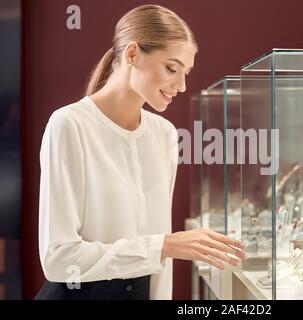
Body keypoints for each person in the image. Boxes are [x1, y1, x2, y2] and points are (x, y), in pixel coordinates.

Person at [35, 4, 246, 300]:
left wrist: (163, 249)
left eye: (186, 72)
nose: (182, 85)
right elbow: (58, 259)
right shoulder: (69, 125)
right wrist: (163, 246)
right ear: (132, 54)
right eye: (171, 68)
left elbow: (160, 259)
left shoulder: (164, 135)